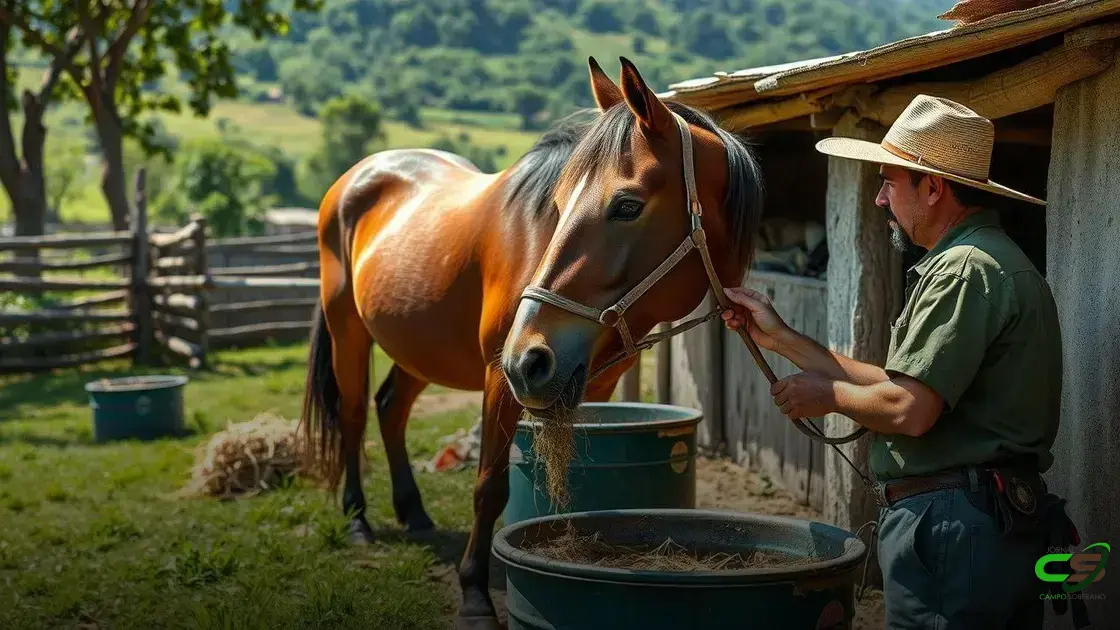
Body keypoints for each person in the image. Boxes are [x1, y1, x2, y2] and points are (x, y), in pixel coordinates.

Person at [721, 95, 1082, 629]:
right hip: (978, 523)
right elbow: (900, 385)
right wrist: (781, 339)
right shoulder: (978, 260)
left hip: (954, 529)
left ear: (932, 188)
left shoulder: (964, 270)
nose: (879, 199)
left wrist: (825, 396)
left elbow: (910, 410)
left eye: (890, 181)